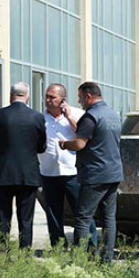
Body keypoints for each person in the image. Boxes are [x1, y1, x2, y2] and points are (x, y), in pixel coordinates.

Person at [60, 82, 123, 263]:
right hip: (113, 173)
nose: (79, 102)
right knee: (109, 219)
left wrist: (64, 144)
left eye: (80, 98)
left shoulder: (91, 117)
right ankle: (107, 260)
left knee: (82, 217)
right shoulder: (114, 115)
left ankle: (79, 260)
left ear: (88, 96)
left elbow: (80, 143)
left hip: (95, 174)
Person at [0, 82, 47, 254]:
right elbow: (42, 147)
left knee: (2, 217)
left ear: (11, 96)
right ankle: (24, 254)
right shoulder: (37, 117)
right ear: (27, 96)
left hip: (4, 173)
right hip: (28, 174)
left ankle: (2, 254)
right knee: (26, 218)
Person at [39, 83, 98, 248]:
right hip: (48, 172)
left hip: (72, 171)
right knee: (53, 212)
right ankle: (59, 247)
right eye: (47, 97)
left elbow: (85, 135)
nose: (48, 100)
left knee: (82, 211)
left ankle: (90, 246)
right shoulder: (40, 118)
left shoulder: (79, 114)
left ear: (62, 99)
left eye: (53, 97)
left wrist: (69, 117)